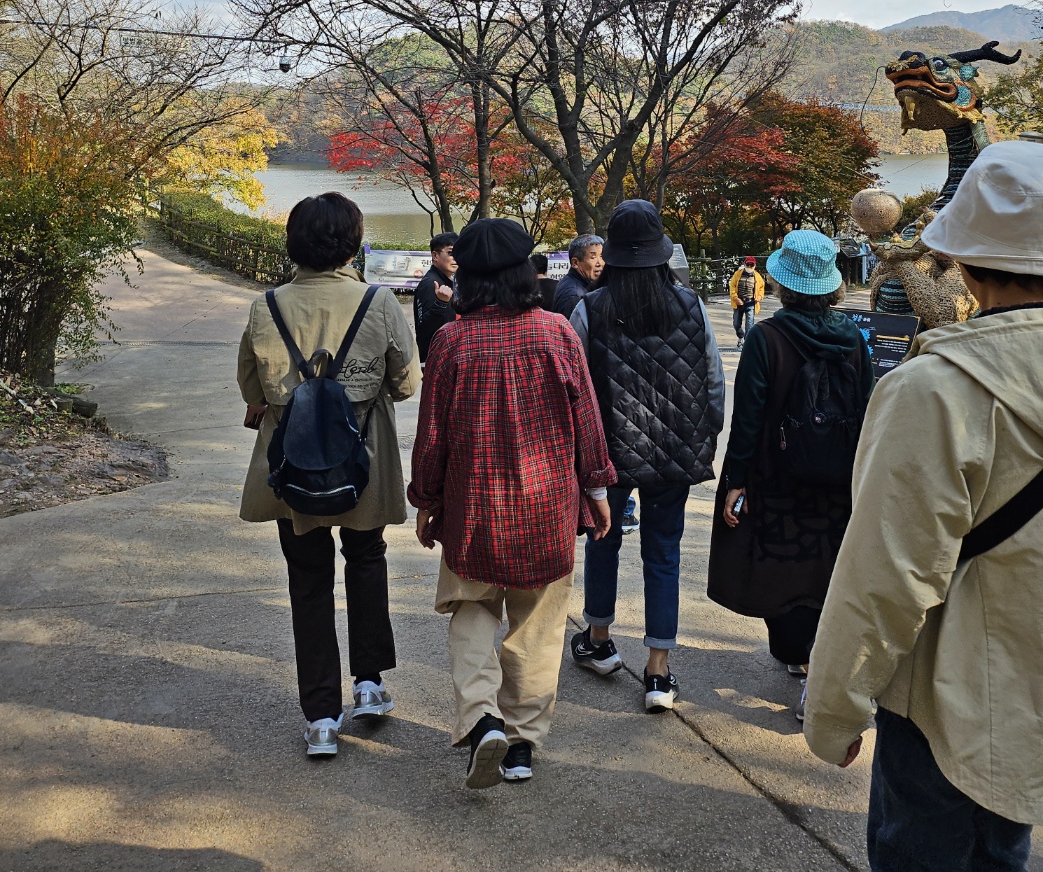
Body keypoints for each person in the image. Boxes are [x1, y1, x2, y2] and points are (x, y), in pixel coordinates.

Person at [804, 142, 1043, 870]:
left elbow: (887, 574)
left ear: (963, 262)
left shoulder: (935, 391)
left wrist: (835, 708)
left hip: (951, 698)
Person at [408, 218, 615, 788]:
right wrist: (597, 489)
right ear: (527, 272)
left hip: (472, 508)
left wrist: (425, 500)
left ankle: (481, 721)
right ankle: (521, 744)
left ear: (468, 278)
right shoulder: (557, 333)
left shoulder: (452, 342)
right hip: (547, 507)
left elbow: (432, 435)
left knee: (471, 613)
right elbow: (587, 418)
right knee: (538, 628)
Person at [237, 193, 420, 758]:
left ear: (293, 243)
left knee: (308, 578)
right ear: (352, 243)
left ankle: (320, 716)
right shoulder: (378, 301)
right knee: (366, 558)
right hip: (362, 459)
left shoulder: (266, 306)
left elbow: (251, 387)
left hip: (292, 465)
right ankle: (369, 684)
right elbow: (406, 383)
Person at [707, 229, 872, 721]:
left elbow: (749, 417)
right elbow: (867, 408)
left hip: (777, 476)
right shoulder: (852, 337)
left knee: (783, 565)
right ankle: (818, 663)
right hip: (838, 478)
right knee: (828, 566)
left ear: (783, 282)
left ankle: (804, 664)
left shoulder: (767, 338)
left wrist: (736, 480)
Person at [567, 200, 726, 712]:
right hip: (676, 448)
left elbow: (574, 387)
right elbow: (713, 379)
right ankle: (658, 671)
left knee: (602, 539)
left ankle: (598, 640)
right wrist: (706, 434)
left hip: (608, 449)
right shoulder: (691, 304)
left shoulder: (589, 308)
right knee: (663, 554)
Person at [413, 231, 458, 362]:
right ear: (435, 255)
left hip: (447, 355)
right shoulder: (430, 284)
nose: (456, 257)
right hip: (434, 359)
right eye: (450, 252)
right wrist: (440, 303)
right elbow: (424, 329)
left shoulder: (447, 280)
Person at [552, 232, 605, 319]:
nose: (600, 263)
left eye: (601, 256)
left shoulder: (579, 284)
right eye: (593, 257)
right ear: (575, 263)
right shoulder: (574, 295)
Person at [729, 255, 765, 346]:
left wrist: (759, 297)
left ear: (755, 265)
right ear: (744, 264)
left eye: (751, 265)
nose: (749, 266)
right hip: (738, 302)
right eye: (747, 264)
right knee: (736, 323)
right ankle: (740, 335)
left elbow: (761, 288)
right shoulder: (737, 274)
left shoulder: (757, 276)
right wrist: (735, 298)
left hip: (751, 302)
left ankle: (747, 343)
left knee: (749, 324)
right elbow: (732, 286)